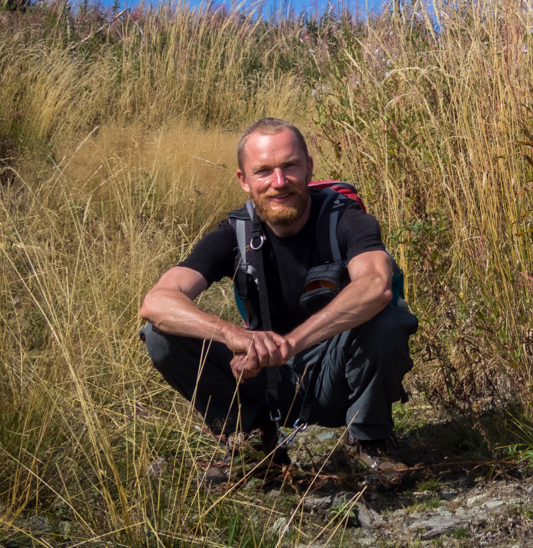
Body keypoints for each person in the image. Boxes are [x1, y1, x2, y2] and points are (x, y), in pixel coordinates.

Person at [139, 117, 416, 482]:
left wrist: (289, 344)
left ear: (309, 167)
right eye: (264, 172)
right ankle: (256, 442)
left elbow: (376, 284)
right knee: (160, 335)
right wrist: (232, 336)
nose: (279, 183)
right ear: (244, 180)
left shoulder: (346, 220)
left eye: (289, 167)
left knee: (388, 318)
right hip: (265, 380)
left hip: (337, 379)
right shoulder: (233, 234)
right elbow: (157, 301)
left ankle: (369, 440)